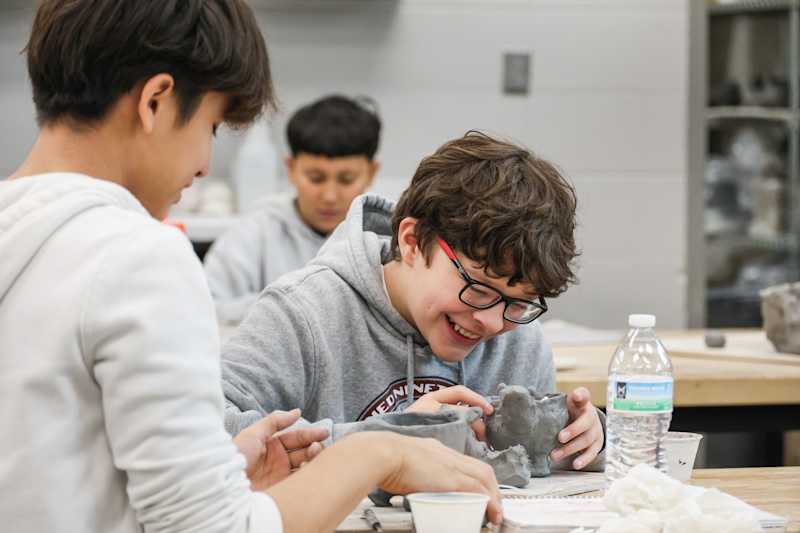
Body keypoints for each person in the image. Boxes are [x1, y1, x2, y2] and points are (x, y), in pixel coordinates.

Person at [0, 2, 502, 532]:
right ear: (155, 102)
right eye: (211, 126)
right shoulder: (138, 256)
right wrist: (380, 453)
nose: (204, 166)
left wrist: (220, 470)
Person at [222, 131, 606, 472]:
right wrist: (387, 440)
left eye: (517, 302)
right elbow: (204, 430)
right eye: (479, 287)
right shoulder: (302, 314)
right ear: (411, 241)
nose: (491, 323)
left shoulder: (519, 336)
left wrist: (585, 440)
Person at [204, 94, 381, 322]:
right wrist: (291, 309)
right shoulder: (253, 234)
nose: (329, 196)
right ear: (291, 168)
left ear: (372, 172)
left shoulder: (387, 240)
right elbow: (206, 308)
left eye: (346, 179)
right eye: (315, 178)